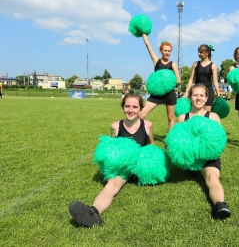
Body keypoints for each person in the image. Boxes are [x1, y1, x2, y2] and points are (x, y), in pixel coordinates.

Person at [69, 93, 154, 227]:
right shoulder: (116, 126)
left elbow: (152, 147)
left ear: (140, 108)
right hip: (125, 167)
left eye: (134, 107)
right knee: (112, 184)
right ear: (123, 107)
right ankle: (93, 212)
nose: (130, 110)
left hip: (141, 167)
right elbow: (111, 150)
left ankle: (93, 212)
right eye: (127, 106)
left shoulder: (147, 125)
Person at [177, 83, 231, 219]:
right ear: (190, 97)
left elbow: (219, 141)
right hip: (190, 159)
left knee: (212, 178)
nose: (198, 98)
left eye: (201, 95)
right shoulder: (183, 118)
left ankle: (220, 205)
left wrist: (208, 153)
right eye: (195, 95)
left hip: (209, 157)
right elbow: (177, 141)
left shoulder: (213, 117)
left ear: (207, 98)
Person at [139, 35, 181, 131]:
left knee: (171, 118)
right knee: (141, 114)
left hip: (169, 94)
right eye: (165, 50)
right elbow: (148, 45)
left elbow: (179, 80)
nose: (167, 53)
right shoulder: (156, 61)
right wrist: (143, 33)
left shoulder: (173, 64)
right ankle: (141, 134)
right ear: (161, 51)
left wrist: (166, 83)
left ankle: (170, 140)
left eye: (169, 51)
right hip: (156, 94)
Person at [183, 44, 220, 111]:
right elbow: (191, 79)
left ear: (207, 53)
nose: (199, 54)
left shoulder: (213, 65)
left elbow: (215, 81)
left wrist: (218, 93)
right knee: (196, 113)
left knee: (206, 115)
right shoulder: (195, 64)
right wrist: (186, 92)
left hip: (208, 92)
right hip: (197, 92)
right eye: (198, 52)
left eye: (201, 52)